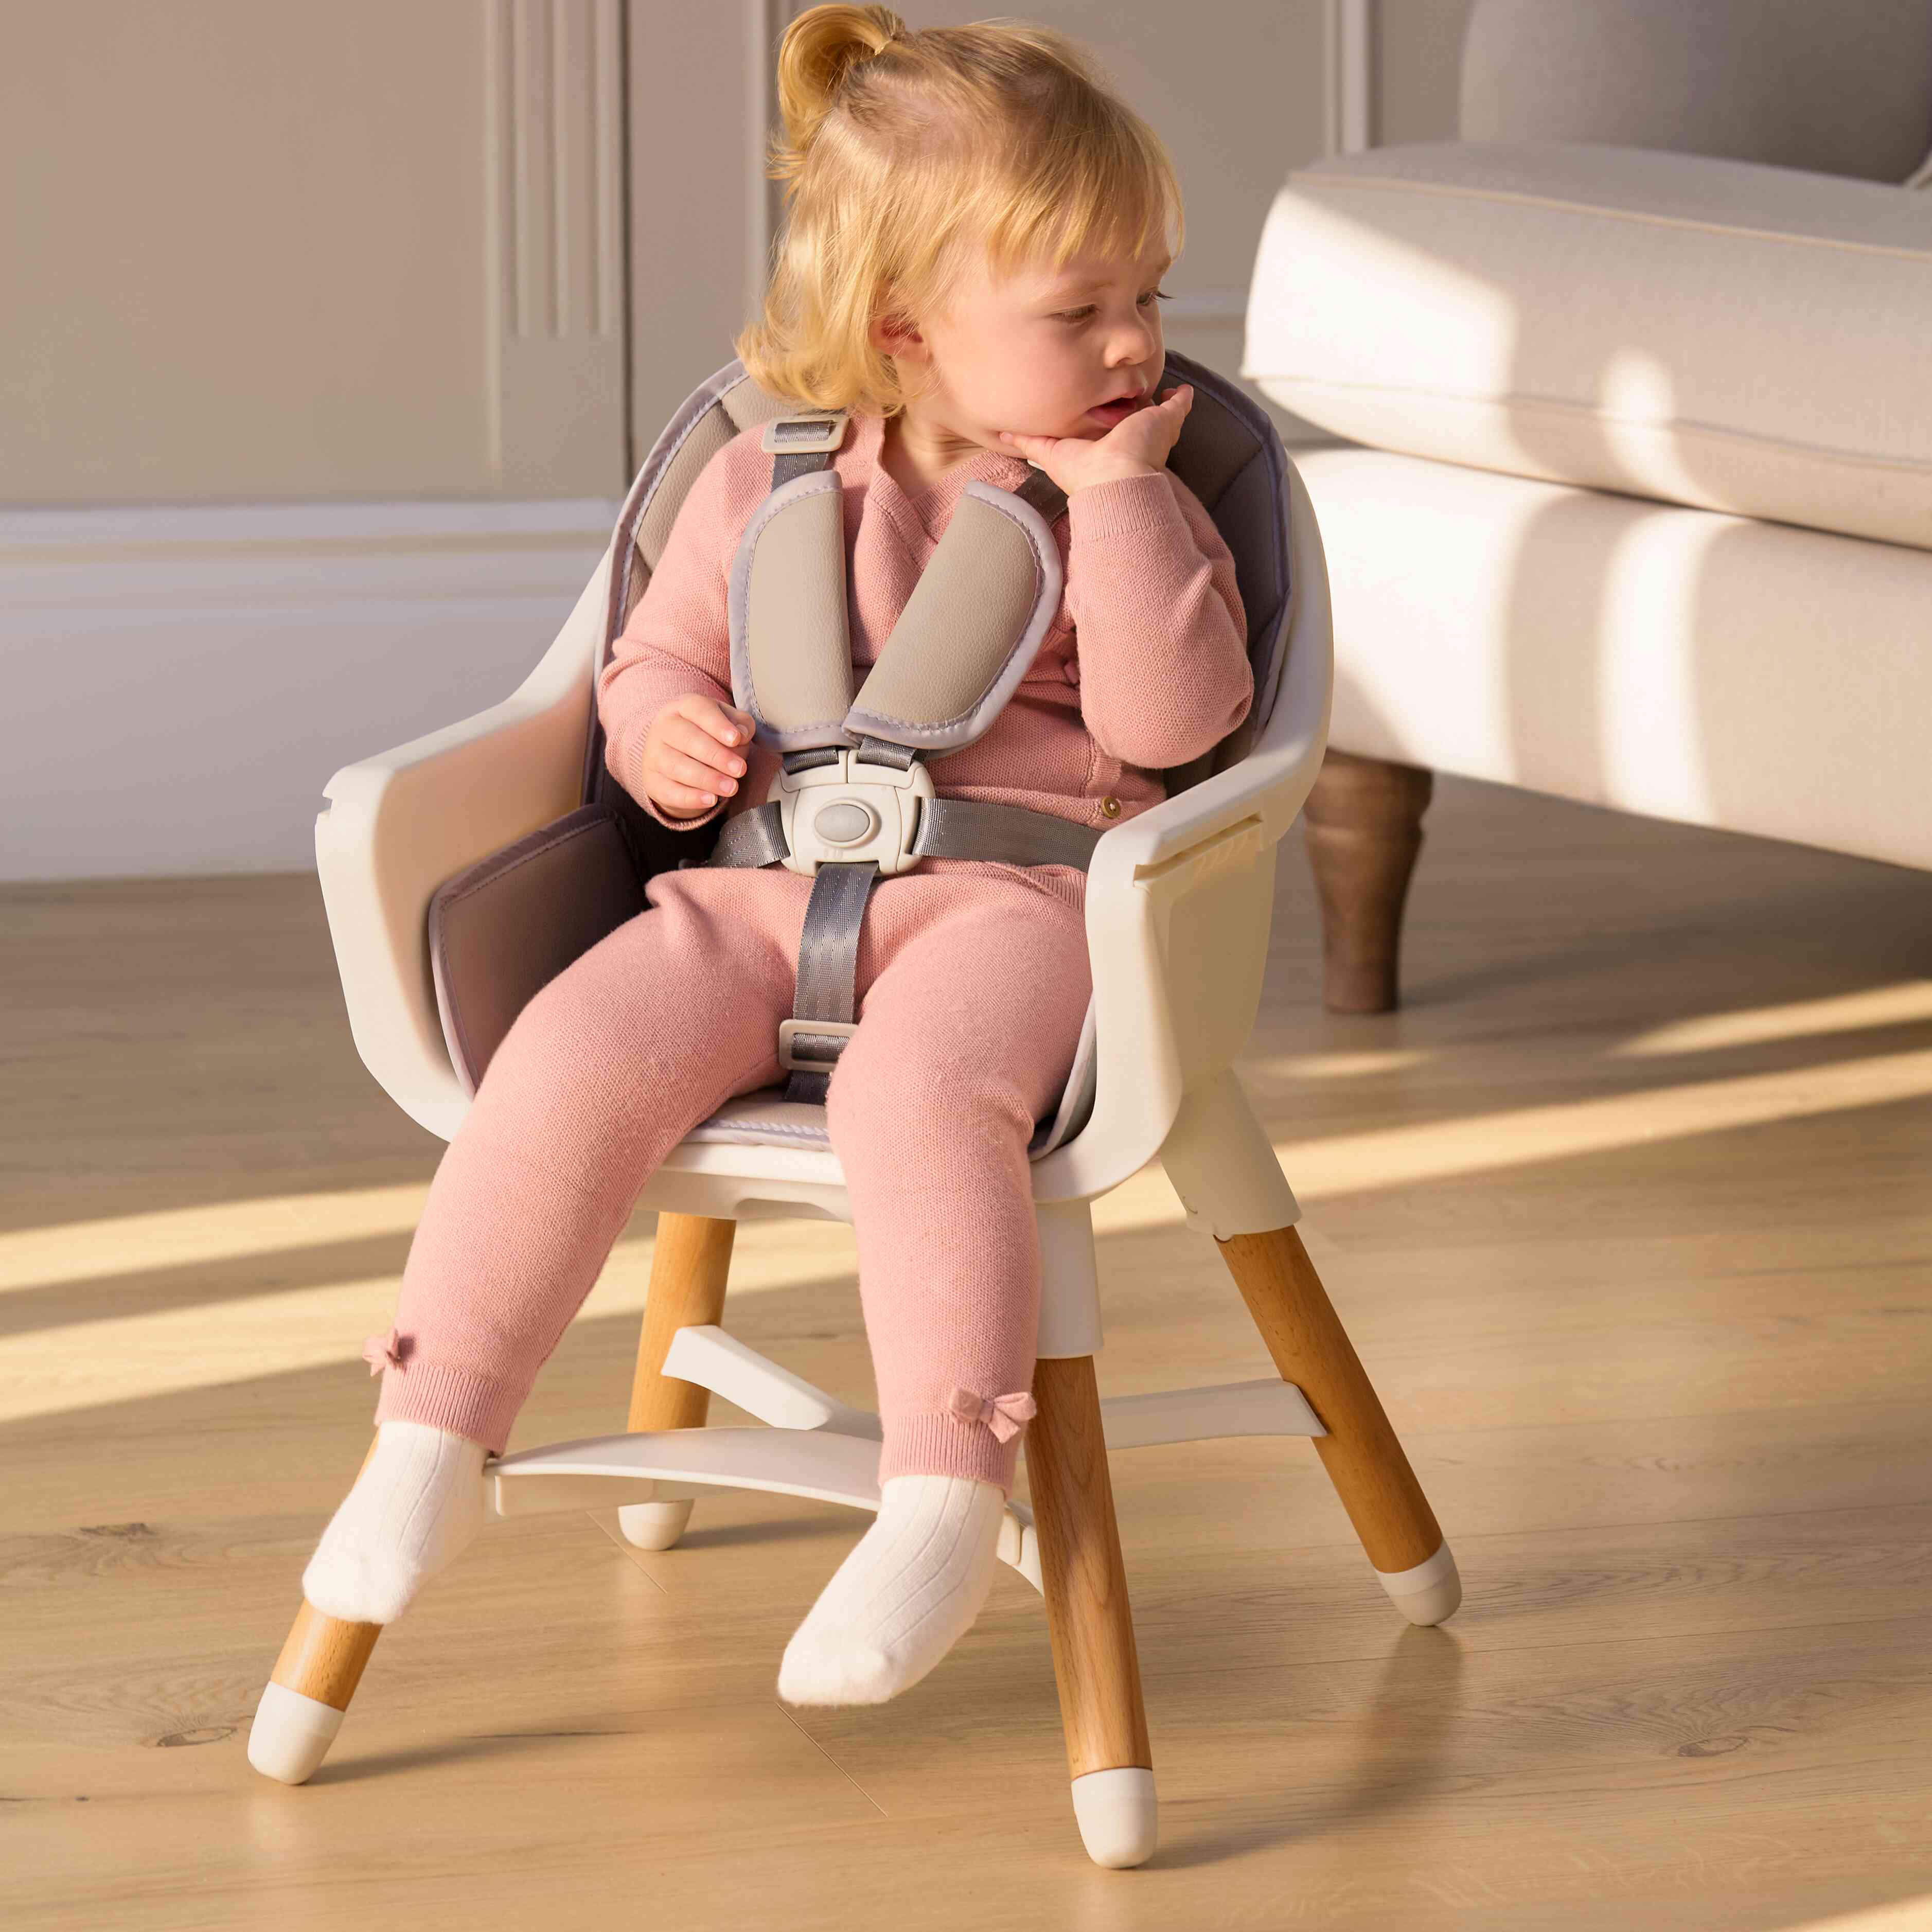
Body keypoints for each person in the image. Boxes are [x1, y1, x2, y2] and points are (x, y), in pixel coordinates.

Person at [300, 3, 1250, 1707]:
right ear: (908, 330)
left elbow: (1180, 725)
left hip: (1017, 903)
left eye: (1149, 298)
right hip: (748, 894)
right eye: (1078, 312)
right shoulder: (764, 480)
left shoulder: (1143, 503)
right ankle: (431, 1433)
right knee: (567, 1057)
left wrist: (1117, 503)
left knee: (915, 1099)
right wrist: (659, 734)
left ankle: (941, 1488)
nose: (1136, 348)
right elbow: (649, 660)